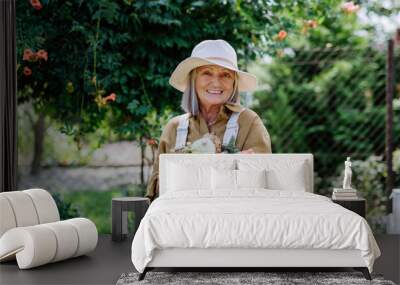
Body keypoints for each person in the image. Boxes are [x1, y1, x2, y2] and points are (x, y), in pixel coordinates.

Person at [146, 39, 272, 201]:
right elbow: (156, 192)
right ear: (193, 79)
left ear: (234, 82)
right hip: (181, 220)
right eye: (207, 73)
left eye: (225, 74)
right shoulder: (175, 128)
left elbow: (261, 187)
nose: (216, 82)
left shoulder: (249, 122)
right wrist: (231, 162)